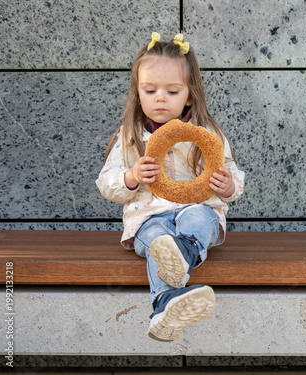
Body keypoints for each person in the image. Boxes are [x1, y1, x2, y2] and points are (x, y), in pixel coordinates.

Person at [96, 32, 245, 341]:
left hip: (197, 213)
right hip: (148, 220)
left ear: (189, 95)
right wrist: (131, 177)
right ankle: (172, 281)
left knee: (199, 218)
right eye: (150, 90)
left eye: (172, 90)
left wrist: (227, 186)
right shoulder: (129, 137)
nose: (160, 98)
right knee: (157, 236)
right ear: (138, 93)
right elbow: (106, 183)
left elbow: (233, 175)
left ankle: (175, 274)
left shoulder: (209, 135)